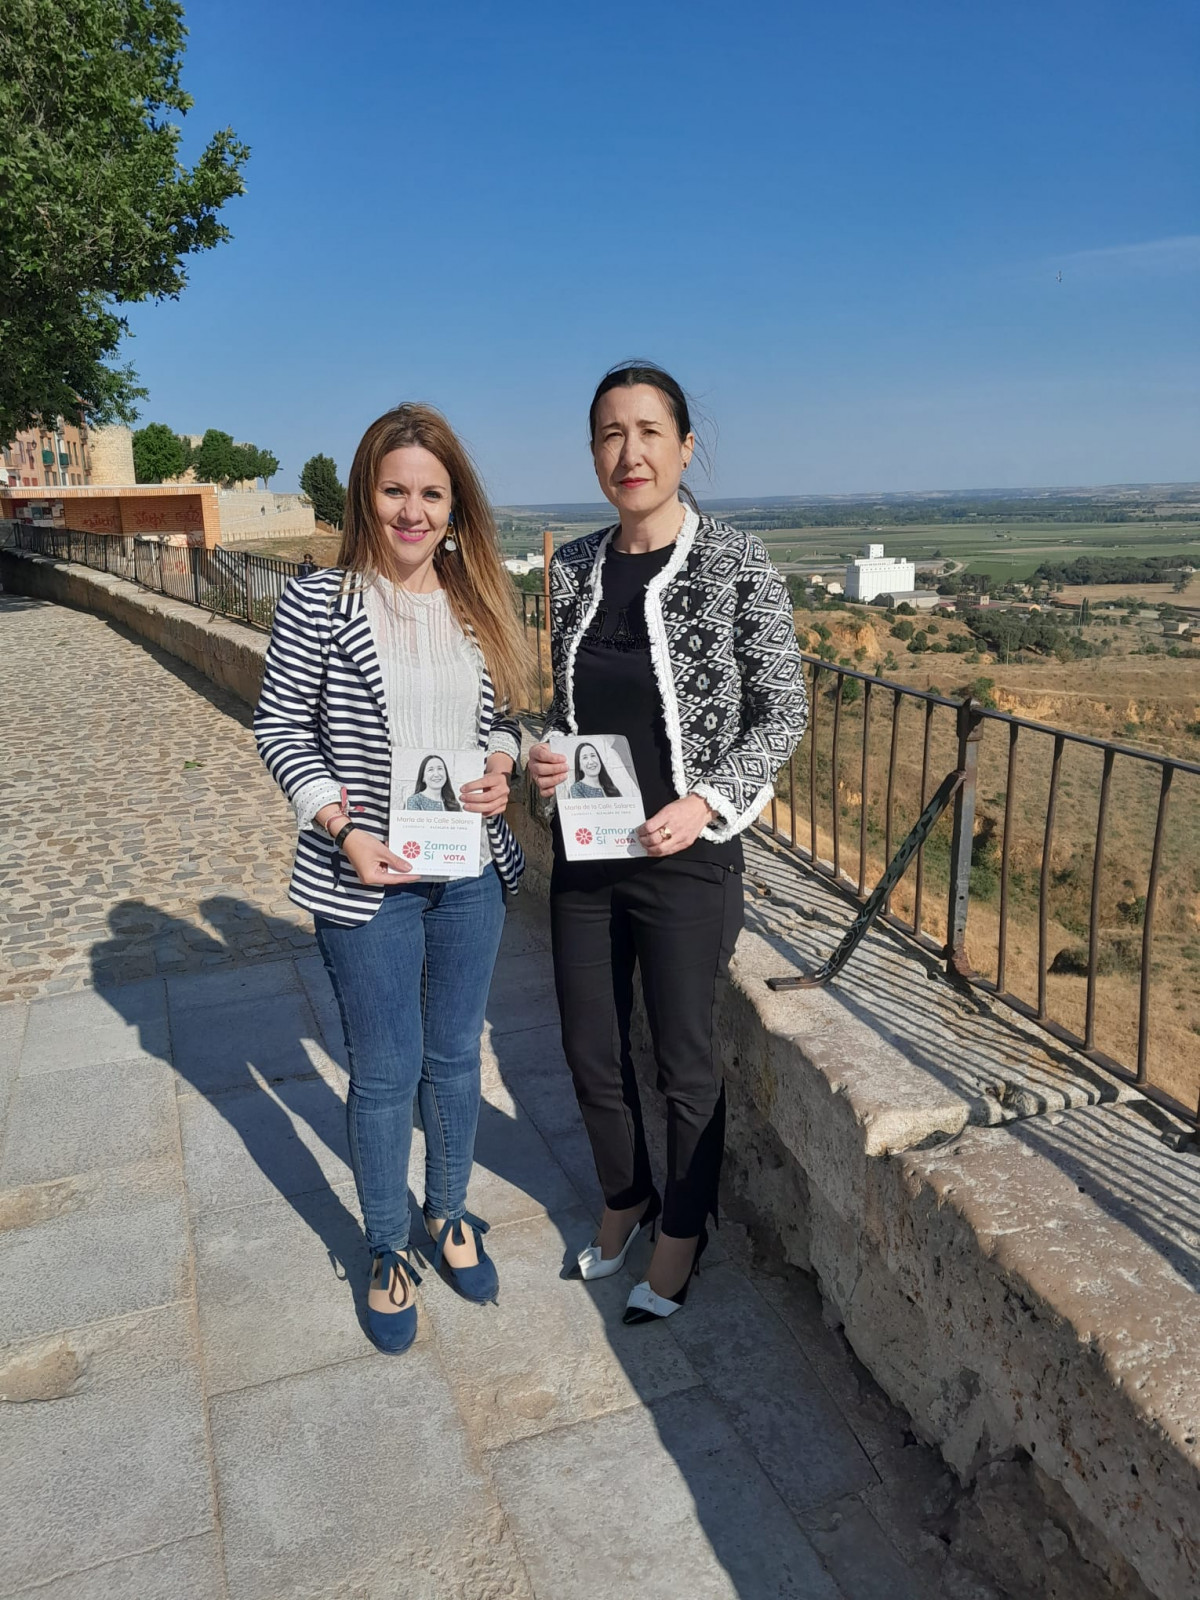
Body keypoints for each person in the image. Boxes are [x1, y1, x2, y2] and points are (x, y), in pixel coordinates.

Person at [528, 362, 807, 1325]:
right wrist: (547, 756)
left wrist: (706, 800)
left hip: (686, 860)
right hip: (588, 854)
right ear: (595, 453)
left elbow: (783, 712)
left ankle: (683, 1230)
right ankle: (625, 1197)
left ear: (687, 448)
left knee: (684, 1061)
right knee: (590, 1049)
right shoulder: (572, 569)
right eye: (611, 433)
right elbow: (564, 713)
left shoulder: (737, 563)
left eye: (650, 432)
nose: (630, 452)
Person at [255, 404, 529, 1354]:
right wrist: (340, 826)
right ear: (366, 497)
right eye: (395, 491)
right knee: (385, 1071)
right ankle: (383, 1246)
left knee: (455, 1056)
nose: (413, 512)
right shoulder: (318, 602)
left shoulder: (475, 600)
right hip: (365, 876)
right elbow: (280, 730)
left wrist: (498, 766)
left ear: (456, 507)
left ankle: (448, 1212)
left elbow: (502, 721)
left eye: (432, 494)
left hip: (468, 875)